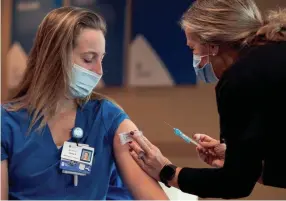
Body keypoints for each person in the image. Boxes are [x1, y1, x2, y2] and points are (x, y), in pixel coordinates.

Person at [0, 7, 169, 200]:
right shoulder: (6, 123)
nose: (99, 71)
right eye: (89, 59)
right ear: (55, 57)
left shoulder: (107, 118)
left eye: (101, 59)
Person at [128, 0, 286, 199]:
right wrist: (239, 159)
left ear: (212, 46)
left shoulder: (241, 78)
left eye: (193, 49)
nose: (194, 59)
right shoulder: (273, 58)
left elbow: (235, 184)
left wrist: (167, 172)